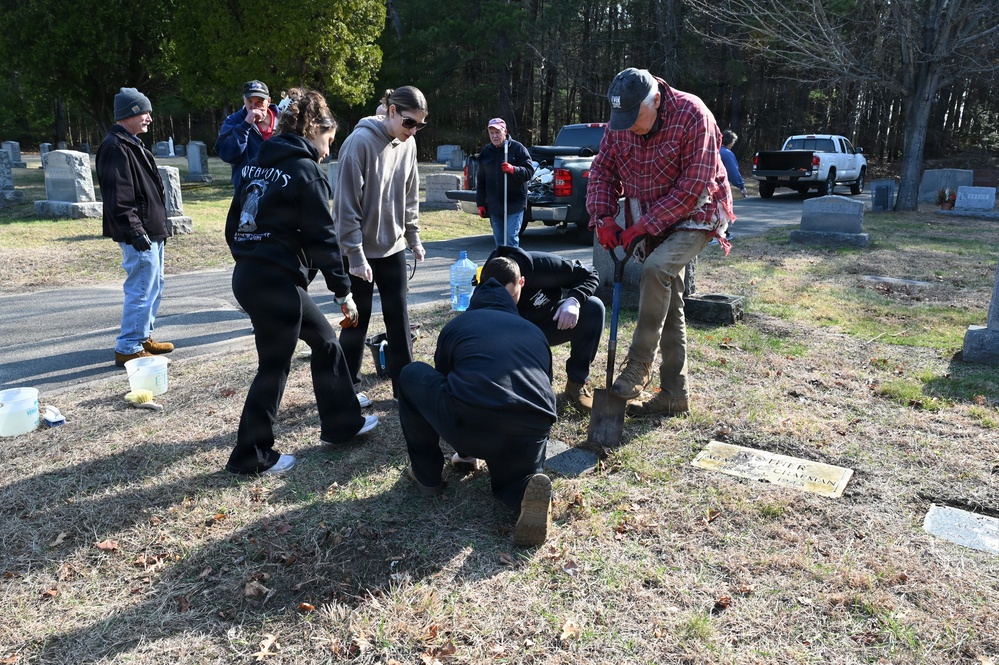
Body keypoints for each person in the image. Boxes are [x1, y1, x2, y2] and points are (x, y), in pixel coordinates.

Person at [224, 88, 378, 476]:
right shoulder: (306, 171)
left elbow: (233, 225)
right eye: (328, 140)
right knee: (273, 367)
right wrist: (343, 291)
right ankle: (252, 454)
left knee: (325, 342)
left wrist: (251, 258)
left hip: (252, 276)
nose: (328, 150)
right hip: (274, 282)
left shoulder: (256, 164)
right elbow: (323, 237)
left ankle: (342, 423)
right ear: (314, 130)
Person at [586, 67, 735, 417]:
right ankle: (674, 394)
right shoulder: (621, 124)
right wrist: (604, 216)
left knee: (655, 268)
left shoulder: (693, 114)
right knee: (669, 299)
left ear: (655, 99)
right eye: (620, 118)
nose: (628, 126)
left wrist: (642, 228)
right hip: (651, 213)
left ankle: (639, 362)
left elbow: (693, 187)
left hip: (696, 211)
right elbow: (602, 172)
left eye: (634, 117)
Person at [398, 256, 556, 547]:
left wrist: (466, 450)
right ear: (515, 289)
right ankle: (522, 491)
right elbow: (545, 385)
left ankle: (427, 477)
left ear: (478, 286)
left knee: (411, 375)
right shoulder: (535, 332)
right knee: (515, 477)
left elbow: (447, 384)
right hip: (531, 429)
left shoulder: (458, 326)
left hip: (473, 424)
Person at [334, 86, 428, 403]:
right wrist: (356, 256)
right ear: (390, 112)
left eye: (418, 125)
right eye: (409, 122)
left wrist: (413, 236)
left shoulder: (408, 144)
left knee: (398, 320)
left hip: (394, 248)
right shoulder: (357, 144)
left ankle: (406, 389)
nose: (413, 130)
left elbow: (410, 194)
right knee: (356, 321)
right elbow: (345, 208)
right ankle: (345, 389)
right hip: (360, 254)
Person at [96, 87, 174, 367]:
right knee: (141, 288)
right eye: (145, 112)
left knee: (154, 285)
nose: (149, 118)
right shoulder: (115, 147)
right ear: (130, 113)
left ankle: (143, 336)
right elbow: (119, 197)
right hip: (138, 233)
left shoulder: (130, 142)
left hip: (151, 229)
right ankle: (128, 346)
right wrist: (136, 231)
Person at [479, 245, 604, 411]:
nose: (507, 302)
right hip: (513, 335)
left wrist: (574, 300)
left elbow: (589, 274)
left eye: (511, 296)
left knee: (593, 308)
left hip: (548, 321)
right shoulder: (484, 290)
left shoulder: (541, 266)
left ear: (521, 281)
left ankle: (576, 383)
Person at [475, 117, 534, 248]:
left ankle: (514, 266)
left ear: (505, 131)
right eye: (492, 133)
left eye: (497, 132)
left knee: (511, 238)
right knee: (499, 241)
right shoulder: (486, 152)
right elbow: (481, 180)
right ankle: (502, 267)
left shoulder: (517, 149)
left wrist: (514, 169)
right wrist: (480, 203)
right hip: (495, 204)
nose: (494, 136)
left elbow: (529, 171)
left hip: (514, 203)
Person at [215, 80, 280, 191]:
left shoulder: (285, 121)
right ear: (244, 100)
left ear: (268, 101)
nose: (254, 106)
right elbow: (227, 154)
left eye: (260, 101)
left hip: (280, 188)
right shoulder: (233, 121)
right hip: (248, 190)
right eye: (250, 101)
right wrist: (245, 125)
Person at [720, 129, 748, 197]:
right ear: (730, 142)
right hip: (720, 187)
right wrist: (742, 186)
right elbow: (733, 172)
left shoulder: (713, 150)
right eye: (733, 142)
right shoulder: (727, 154)